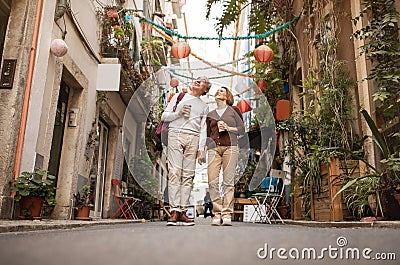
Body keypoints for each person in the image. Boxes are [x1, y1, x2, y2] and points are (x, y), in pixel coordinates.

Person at [161, 76, 211, 226]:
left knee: (188, 175)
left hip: (193, 138)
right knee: (175, 172)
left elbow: (203, 129)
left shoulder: (204, 106)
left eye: (202, 81)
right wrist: (178, 113)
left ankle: (183, 212)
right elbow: (164, 116)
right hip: (176, 134)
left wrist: (201, 149)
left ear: (206, 89)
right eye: (197, 79)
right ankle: (174, 210)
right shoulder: (178, 97)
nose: (198, 81)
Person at [206, 86, 245, 226]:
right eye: (217, 91)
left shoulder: (234, 110)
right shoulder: (210, 114)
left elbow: (242, 130)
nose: (218, 92)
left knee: (228, 181)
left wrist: (228, 129)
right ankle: (216, 213)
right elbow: (207, 135)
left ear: (227, 96)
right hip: (213, 149)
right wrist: (202, 151)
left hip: (231, 147)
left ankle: (227, 213)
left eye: (222, 91)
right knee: (212, 181)